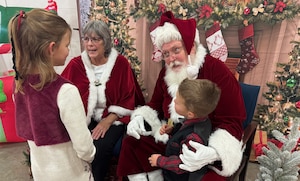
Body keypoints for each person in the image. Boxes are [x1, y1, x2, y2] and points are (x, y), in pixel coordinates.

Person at [117, 11, 246, 181]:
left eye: (176, 50)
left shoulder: (217, 71)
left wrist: (214, 152)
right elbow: (155, 104)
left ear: (191, 46)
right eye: (166, 54)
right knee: (132, 143)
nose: (171, 59)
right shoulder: (166, 73)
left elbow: (232, 120)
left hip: (201, 148)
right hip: (174, 138)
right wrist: (140, 117)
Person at [10, 9, 96, 181]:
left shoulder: (18, 84)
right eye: (66, 45)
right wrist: (90, 157)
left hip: (42, 173)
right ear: (51, 48)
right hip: (72, 175)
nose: (67, 50)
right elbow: (84, 148)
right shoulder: (65, 91)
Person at [61, 20, 144, 181]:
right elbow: (61, 90)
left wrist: (107, 121)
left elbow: (128, 98)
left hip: (114, 118)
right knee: (76, 145)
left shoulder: (120, 64)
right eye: (86, 39)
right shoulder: (76, 65)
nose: (90, 44)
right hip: (83, 118)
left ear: (105, 41)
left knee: (100, 147)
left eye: (95, 39)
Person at [148, 78, 221, 181]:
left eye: (177, 102)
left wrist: (160, 161)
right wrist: (173, 130)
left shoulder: (193, 138)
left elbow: (183, 164)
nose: (174, 100)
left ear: (190, 114)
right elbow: (185, 128)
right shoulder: (201, 118)